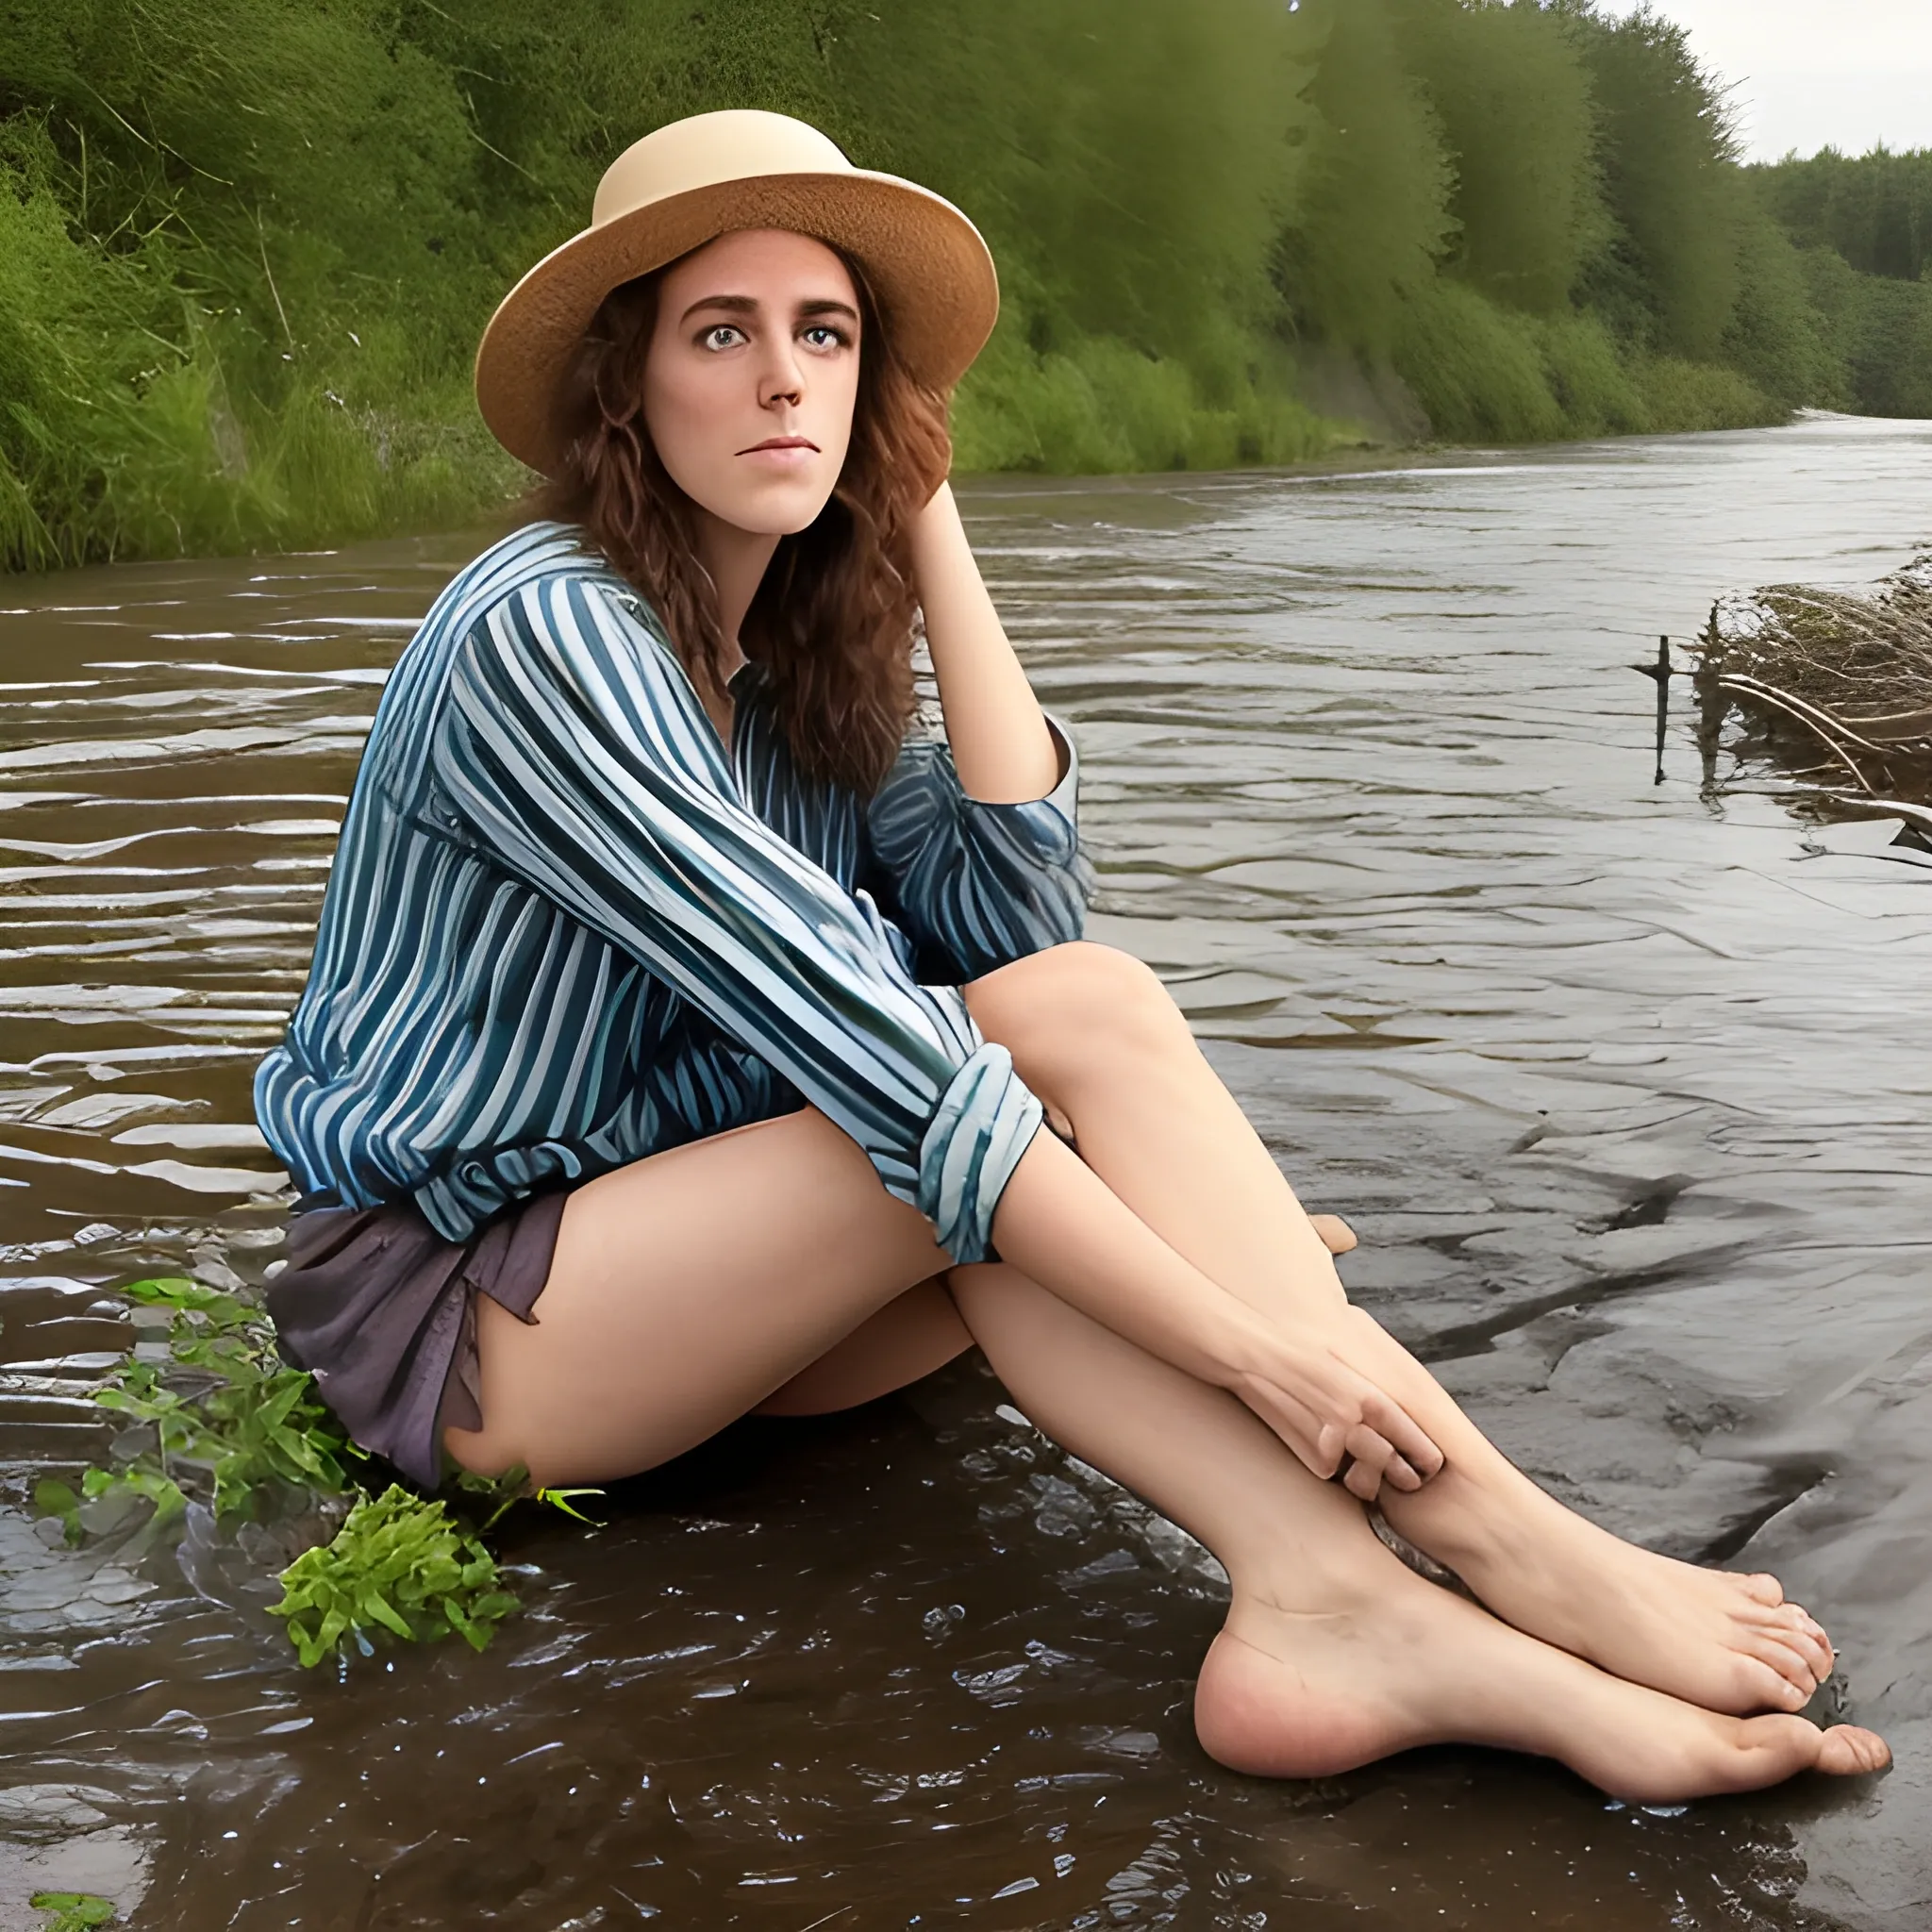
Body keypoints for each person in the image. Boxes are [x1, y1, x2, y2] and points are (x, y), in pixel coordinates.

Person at [257, 109, 1887, 1801]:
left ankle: (1327, 1600)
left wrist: (923, 517)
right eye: (719, 334)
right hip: (469, 1320)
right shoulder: (547, 629)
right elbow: (918, 1053)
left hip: (693, 1285)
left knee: (1054, 1092)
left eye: (827, 337)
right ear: (627, 389)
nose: (782, 383)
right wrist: (1257, 1345)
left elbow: (1016, 925)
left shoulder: (798, 650)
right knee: (1049, 1103)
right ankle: (1486, 1535)